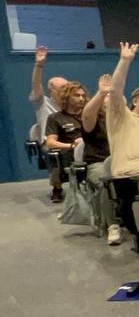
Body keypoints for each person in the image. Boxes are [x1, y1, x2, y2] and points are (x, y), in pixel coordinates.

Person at [104, 43, 139, 249]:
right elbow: (115, 91)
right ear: (135, 101)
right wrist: (125, 61)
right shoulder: (121, 117)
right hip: (130, 177)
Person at [79, 76, 119, 244]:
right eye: (108, 96)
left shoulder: (123, 120)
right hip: (98, 163)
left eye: (112, 95)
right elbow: (87, 116)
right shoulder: (95, 120)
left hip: (121, 162)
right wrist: (101, 93)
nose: (111, 97)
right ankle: (112, 226)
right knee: (106, 182)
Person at [29, 46, 70, 202]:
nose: (65, 92)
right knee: (55, 153)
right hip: (51, 141)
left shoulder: (72, 105)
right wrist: (39, 65)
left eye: (67, 88)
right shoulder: (42, 103)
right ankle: (57, 187)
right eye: (61, 89)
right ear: (51, 89)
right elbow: (36, 85)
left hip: (70, 137)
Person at [43, 82, 88, 199]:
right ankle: (57, 187)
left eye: (83, 96)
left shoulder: (90, 115)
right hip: (69, 151)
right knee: (56, 154)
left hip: (90, 149)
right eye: (77, 96)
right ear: (67, 98)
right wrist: (72, 146)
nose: (81, 99)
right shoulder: (55, 118)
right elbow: (50, 142)